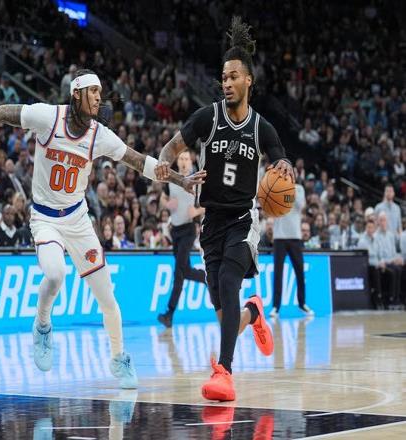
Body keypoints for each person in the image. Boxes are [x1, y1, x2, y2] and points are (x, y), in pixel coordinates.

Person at [0, 68, 204, 388]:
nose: (98, 98)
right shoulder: (48, 117)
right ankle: (42, 325)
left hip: (78, 220)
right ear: (76, 94)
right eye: (93, 92)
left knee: (107, 298)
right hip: (45, 218)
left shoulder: (99, 135)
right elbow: (0, 113)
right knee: (55, 275)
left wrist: (181, 180)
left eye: (100, 93)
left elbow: (140, 162)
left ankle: (119, 357)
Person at [155, 17, 294, 401]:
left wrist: (286, 166)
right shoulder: (207, 117)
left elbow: (282, 160)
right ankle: (254, 313)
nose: (227, 83)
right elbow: (169, 150)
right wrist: (173, 173)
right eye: (223, 77)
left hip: (243, 220)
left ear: (249, 80)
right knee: (225, 316)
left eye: (234, 76)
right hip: (211, 223)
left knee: (230, 283)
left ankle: (225, 372)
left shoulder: (261, 128)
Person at [158, 150, 206, 327]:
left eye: (187, 159)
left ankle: (169, 314)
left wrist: (197, 211)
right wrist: (167, 204)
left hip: (188, 229)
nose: (184, 162)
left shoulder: (197, 180)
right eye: (181, 159)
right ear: (177, 162)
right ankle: (206, 277)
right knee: (185, 270)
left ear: (191, 162)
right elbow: (162, 199)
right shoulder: (171, 179)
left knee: (178, 272)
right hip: (175, 231)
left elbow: (210, 203)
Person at [271, 183, 313, 318]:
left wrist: (288, 191)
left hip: (295, 237)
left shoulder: (299, 188)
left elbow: (300, 205)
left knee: (300, 271)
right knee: (278, 273)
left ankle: (302, 303)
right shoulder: (275, 186)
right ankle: (276, 307)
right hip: (279, 237)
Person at [375, 212, 403, 306]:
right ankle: (391, 299)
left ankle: (397, 298)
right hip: (383, 263)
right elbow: (379, 254)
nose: (383, 223)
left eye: (384, 220)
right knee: (394, 271)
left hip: (391, 261)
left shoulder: (390, 235)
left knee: (400, 269)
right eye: (381, 220)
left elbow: (394, 252)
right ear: (378, 222)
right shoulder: (376, 236)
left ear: (387, 222)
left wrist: (398, 258)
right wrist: (390, 260)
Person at [358, 219, 383, 308]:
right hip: (368, 265)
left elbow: (379, 254)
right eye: (368, 227)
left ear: (374, 229)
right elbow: (365, 258)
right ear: (366, 228)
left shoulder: (377, 240)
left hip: (377, 264)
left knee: (393, 271)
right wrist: (377, 263)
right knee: (375, 270)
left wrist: (381, 262)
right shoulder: (362, 241)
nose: (370, 229)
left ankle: (391, 299)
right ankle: (377, 300)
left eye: (372, 228)